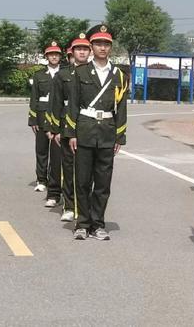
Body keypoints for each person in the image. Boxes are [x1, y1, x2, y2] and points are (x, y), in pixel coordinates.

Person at [66, 25, 129, 240]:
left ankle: (98, 224)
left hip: (107, 133)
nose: (102, 48)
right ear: (91, 47)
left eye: (106, 44)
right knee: (82, 180)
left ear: (111, 47)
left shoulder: (119, 75)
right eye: (98, 44)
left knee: (103, 182)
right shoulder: (80, 72)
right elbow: (73, 104)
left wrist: (120, 136)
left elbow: (121, 107)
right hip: (84, 129)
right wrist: (71, 133)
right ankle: (82, 223)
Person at [49, 39, 90, 221]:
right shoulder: (63, 75)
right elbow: (56, 103)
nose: (81, 52)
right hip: (67, 125)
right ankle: (69, 205)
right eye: (78, 49)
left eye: (85, 49)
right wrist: (55, 128)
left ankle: (84, 207)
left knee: (87, 170)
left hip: (88, 126)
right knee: (69, 167)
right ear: (72, 52)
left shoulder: (95, 73)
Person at [29, 41, 62, 207]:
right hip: (42, 114)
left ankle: (54, 180)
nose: (54, 56)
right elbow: (34, 98)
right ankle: (41, 179)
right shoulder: (39, 75)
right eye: (51, 54)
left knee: (57, 151)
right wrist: (33, 119)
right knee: (41, 149)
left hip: (58, 116)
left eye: (56, 54)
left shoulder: (65, 73)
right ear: (46, 57)